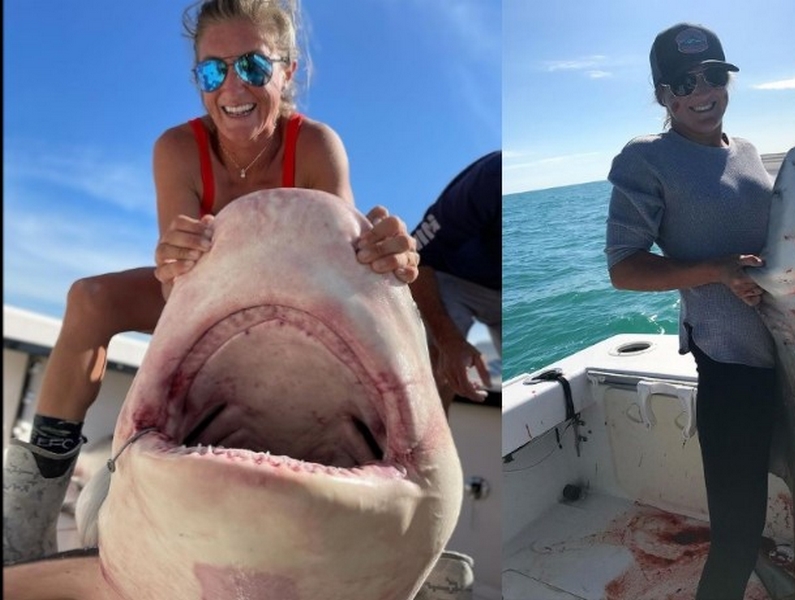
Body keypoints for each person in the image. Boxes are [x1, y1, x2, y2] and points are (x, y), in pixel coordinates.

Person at [3, 0, 420, 565]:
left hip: (298, 305)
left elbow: (344, 282)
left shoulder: (317, 145)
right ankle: (28, 512)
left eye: (252, 66)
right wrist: (174, 261)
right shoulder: (176, 149)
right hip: (202, 298)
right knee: (89, 298)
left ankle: (405, 523)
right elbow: (181, 293)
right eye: (211, 70)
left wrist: (389, 260)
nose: (231, 86)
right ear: (197, 78)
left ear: (287, 70)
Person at [604, 23, 777, 599]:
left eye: (714, 75)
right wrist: (718, 270)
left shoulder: (749, 153)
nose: (703, 90)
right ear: (663, 96)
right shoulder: (646, 160)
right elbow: (624, 267)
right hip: (731, 366)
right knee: (738, 531)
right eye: (684, 82)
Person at [409, 151, 501, 414]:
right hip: (451, 277)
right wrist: (448, 340)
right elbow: (417, 257)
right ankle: (427, 448)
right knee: (441, 362)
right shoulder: (490, 178)